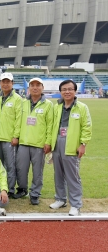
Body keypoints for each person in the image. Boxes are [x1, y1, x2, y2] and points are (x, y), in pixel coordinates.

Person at [49, 79, 92, 216]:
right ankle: (60, 199)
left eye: (70, 89)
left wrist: (83, 144)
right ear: (60, 92)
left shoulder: (82, 107)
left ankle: (75, 204)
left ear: (75, 91)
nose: (67, 92)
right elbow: (51, 126)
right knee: (58, 174)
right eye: (64, 90)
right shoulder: (57, 107)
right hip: (57, 142)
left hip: (72, 144)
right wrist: (50, 143)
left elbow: (86, 127)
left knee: (72, 176)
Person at [15, 78, 53, 205]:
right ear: (29, 88)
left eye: (38, 85)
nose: (35, 88)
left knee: (37, 171)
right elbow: (18, 122)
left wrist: (48, 142)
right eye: (32, 85)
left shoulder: (48, 104)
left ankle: (35, 193)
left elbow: (50, 126)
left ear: (42, 87)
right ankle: (22, 189)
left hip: (39, 144)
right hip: (24, 142)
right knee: (21, 169)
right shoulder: (23, 102)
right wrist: (16, 136)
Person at [0, 72, 22, 198]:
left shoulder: (17, 99)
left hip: (10, 139)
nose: (5, 84)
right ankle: (2, 187)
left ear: (12, 83)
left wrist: (16, 136)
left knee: (10, 166)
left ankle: (10, 189)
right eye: (3, 82)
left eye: (8, 82)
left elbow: (19, 119)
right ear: (0, 83)